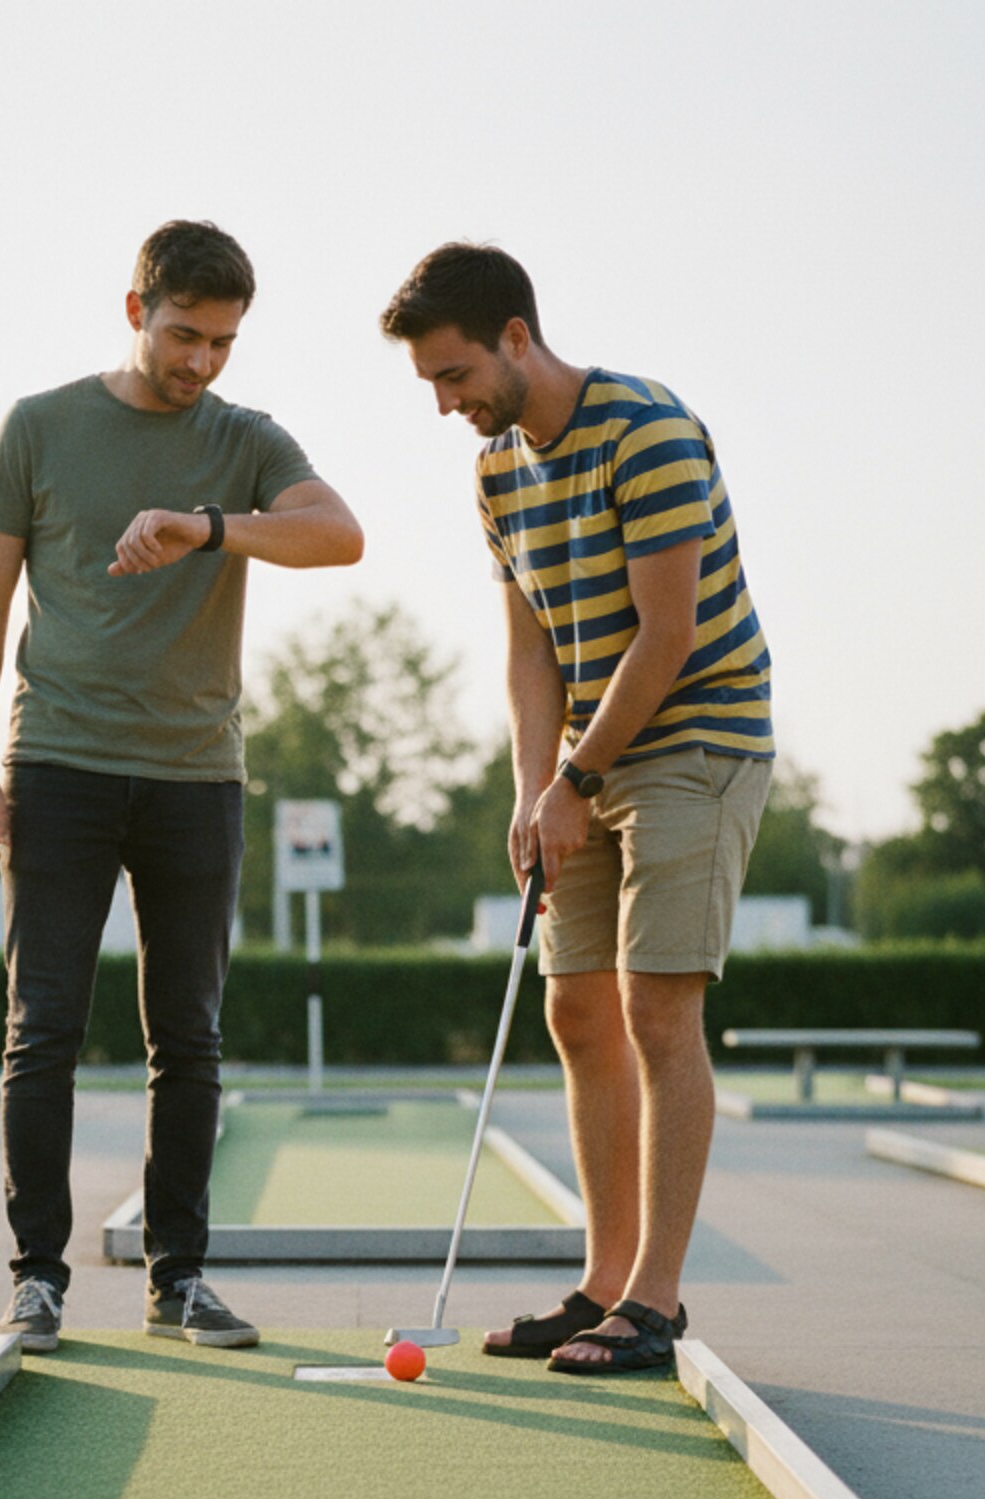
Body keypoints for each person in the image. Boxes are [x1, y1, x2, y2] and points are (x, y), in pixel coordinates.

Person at [0, 219, 362, 1352]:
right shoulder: (39, 426)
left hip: (196, 775)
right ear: (135, 309)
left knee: (189, 1038)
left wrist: (206, 528)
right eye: (184, 335)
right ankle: (36, 1278)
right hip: (59, 764)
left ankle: (179, 1277)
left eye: (222, 342)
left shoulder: (243, 439)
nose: (201, 362)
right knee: (43, 1028)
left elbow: (340, 535)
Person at [379, 243, 771, 1373]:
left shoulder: (646, 430)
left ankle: (654, 1301)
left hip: (695, 737)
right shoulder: (496, 471)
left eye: (454, 375)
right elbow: (528, 649)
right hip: (583, 760)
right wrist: (530, 788)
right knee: (576, 1014)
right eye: (430, 384)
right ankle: (602, 1283)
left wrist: (577, 781)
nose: (445, 404)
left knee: (655, 1009)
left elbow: (667, 633)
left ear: (516, 336)